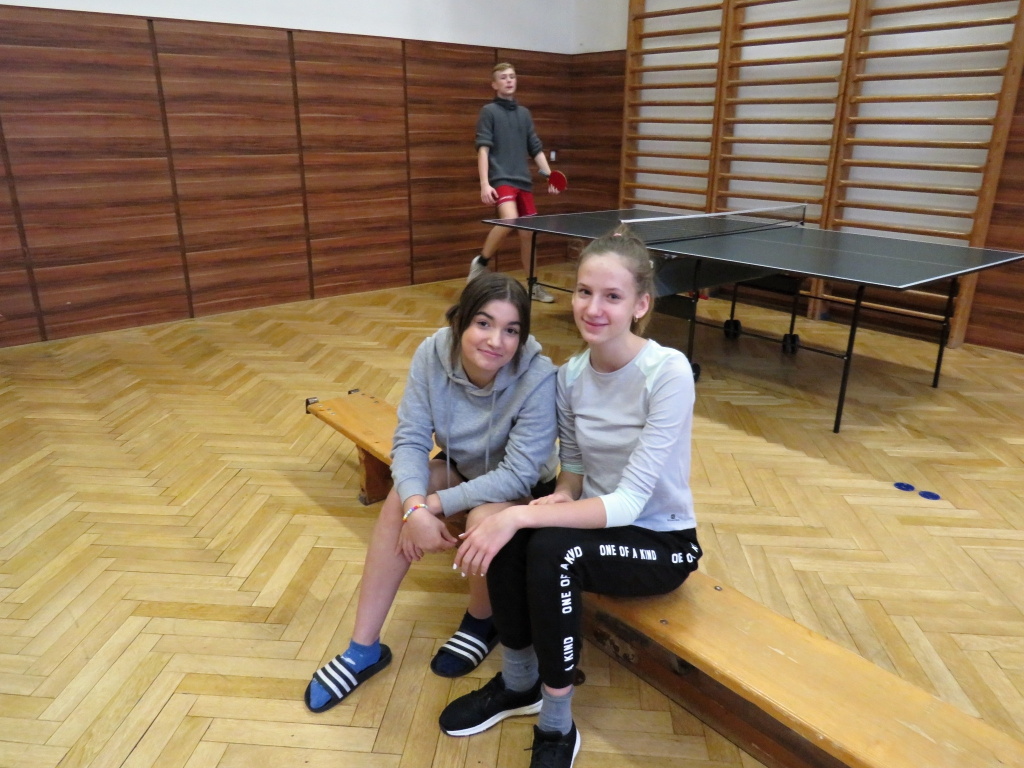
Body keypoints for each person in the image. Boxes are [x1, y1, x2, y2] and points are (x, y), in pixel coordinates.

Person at [437, 226, 703, 768]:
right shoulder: (570, 377)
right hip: (599, 522)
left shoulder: (668, 372)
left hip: (662, 541)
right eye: (584, 291)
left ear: (640, 305)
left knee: (549, 545)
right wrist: (557, 495)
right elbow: (575, 470)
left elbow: (630, 503)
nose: (593, 308)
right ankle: (519, 684)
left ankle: (556, 721)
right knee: (513, 532)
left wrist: (519, 517)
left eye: (612, 296)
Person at [304, 273, 558, 713]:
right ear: (461, 321)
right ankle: (363, 649)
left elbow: (517, 476)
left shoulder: (538, 376)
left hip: (525, 490)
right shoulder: (432, 353)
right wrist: (413, 508)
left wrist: (432, 506)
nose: (496, 340)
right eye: (483, 323)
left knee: (482, 518)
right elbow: (410, 440)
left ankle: (481, 620)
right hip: (462, 466)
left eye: (511, 330)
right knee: (399, 499)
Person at [468, 62, 560, 302]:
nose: (509, 80)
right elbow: (483, 150)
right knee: (509, 220)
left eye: (512, 76)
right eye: (503, 77)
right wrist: (485, 183)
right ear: (494, 84)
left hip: (523, 181)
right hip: (501, 178)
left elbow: (535, 149)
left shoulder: (524, 114)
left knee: (528, 234)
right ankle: (481, 262)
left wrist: (550, 175)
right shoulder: (488, 112)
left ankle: (533, 286)